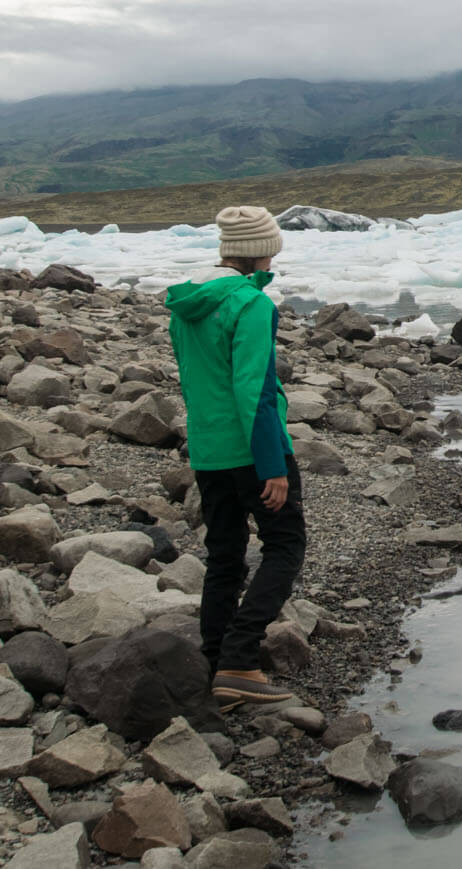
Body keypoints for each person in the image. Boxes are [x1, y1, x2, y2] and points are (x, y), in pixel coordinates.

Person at [165, 204, 304, 708]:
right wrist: (273, 465)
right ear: (261, 252)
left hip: (208, 449)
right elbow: (255, 390)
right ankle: (240, 661)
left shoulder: (187, 303)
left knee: (225, 555)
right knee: (285, 546)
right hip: (252, 450)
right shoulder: (251, 305)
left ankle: (213, 656)